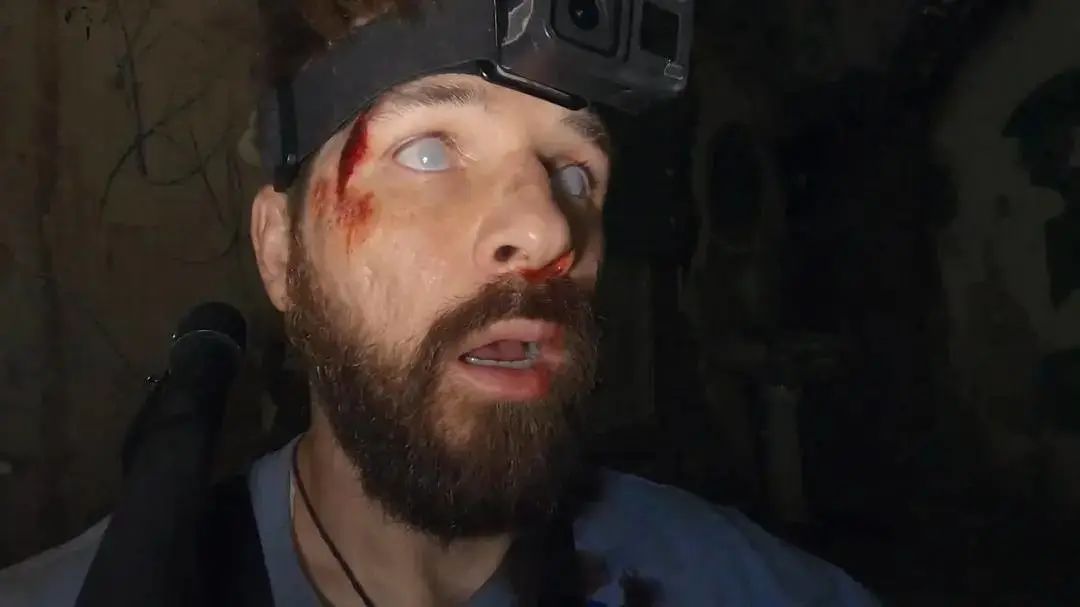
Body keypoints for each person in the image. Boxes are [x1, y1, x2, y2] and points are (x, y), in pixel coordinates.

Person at [0, 1, 880, 605]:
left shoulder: (724, 579)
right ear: (279, 251)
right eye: (427, 152)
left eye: (576, 172)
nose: (546, 227)